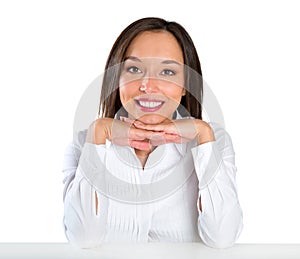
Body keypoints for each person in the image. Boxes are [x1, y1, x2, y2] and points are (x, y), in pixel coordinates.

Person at [62, 17, 243, 249]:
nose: (148, 85)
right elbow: (83, 238)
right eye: (134, 69)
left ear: (186, 84)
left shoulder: (213, 140)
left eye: (167, 72)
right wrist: (98, 133)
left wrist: (203, 135)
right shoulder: (85, 144)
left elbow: (222, 237)